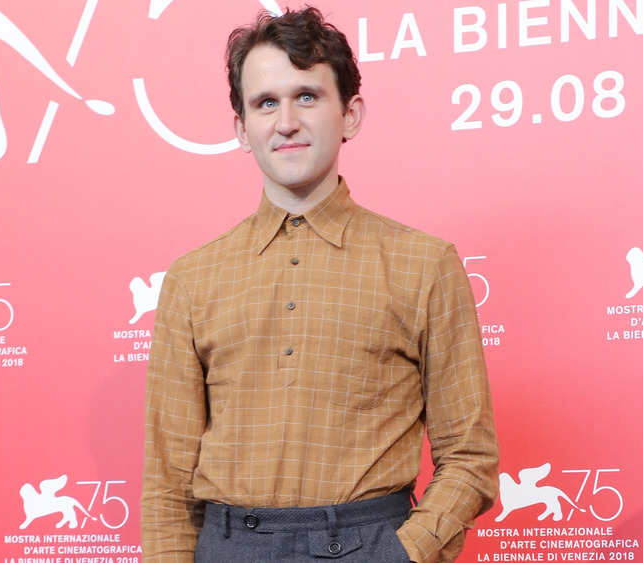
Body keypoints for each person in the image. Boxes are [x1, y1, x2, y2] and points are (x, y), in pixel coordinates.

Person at [142, 7, 499, 563]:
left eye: (306, 96)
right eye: (265, 103)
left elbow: (471, 456)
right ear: (241, 128)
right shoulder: (191, 279)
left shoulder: (424, 263)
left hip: (371, 541)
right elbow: (167, 480)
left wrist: (402, 554)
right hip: (227, 547)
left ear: (350, 114)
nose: (286, 121)